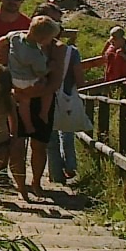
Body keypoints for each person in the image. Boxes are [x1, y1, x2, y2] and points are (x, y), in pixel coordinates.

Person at [0, 17, 66, 197]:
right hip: (23, 93)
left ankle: (35, 183)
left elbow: (55, 83)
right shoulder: (35, 51)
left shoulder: (18, 39)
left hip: (21, 93)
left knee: (38, 144)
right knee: (17, 143)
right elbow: (46, 74)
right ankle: (22, 186)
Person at [47, 26, 84, 184]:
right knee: (67, 134)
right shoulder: (71, 52)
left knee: (50, 138)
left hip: (45, 97)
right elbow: (80, 80)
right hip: (66, 97)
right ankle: (70, 167)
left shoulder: (41, 51)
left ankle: (55, 174)